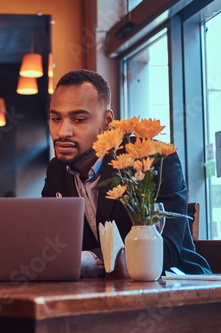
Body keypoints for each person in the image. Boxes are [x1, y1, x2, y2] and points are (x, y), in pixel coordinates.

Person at [42, 69, 211, 277]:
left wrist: (93, 260)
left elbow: (164, 253)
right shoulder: (57, 171)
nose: (62, 131)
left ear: (107, 121)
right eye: (56, 118)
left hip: (177, 287)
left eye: (78, 119)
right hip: (101, 293)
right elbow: (52, 246)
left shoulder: (152, 160)